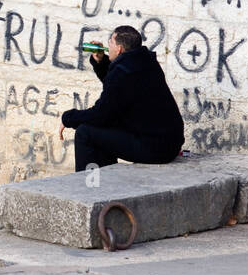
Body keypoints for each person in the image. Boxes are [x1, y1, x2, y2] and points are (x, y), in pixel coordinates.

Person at [58, 25, 184, 173]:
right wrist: (101, 62)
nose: (108, 46)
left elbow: (101, 114)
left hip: (155, 148)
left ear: (118, 49)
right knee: (104, 129)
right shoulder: (146, 62)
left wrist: (68, 118)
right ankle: (106, 183)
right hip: (168, 142)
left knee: (85, 132)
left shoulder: (123, 72)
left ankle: (88, 190)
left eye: (110, 42)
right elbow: (119, 92)